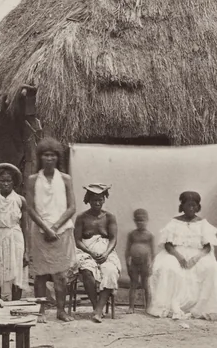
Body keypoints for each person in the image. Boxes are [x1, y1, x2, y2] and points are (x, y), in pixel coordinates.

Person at [147, 191, 217, 321]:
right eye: (188, 205)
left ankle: (206, 308)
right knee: (168, 267)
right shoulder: (175, 222)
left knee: (213, 269)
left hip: (198, 254)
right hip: (176, 253)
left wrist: (196, 258)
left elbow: (207, 247)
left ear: (198, 207)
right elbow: (168, 244)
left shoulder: (202, 223)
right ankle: (167, 305)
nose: (191, 208)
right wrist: (179, 257)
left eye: (194, 205)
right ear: (182, 206)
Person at [24, 137, 77, 321]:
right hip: (40, 232)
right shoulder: (32, 180)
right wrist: (45, 229)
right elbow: (30, 208)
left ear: (58, 157)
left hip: (61, 231)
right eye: (46, 155)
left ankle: (61, 311)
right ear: (40, 157)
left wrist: (54, 227)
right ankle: (40, 312)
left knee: (61, 275)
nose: (49, 158)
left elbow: (72, 207)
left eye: (53, 155)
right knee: (40, 274)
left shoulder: (65, 179)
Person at [73, 183, 121, 323]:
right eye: (94, 200)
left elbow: (113, 239)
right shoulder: (82, 217)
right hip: (86, 251)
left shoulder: (109, 217)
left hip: (106, 251)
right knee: (87, 271)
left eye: (100, 199)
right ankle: (96, 306)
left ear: (104, 200)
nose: (97, 203)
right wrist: (91, 253)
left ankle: (98, 310)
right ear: (88, 200)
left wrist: (106, 253)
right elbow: (77, 241)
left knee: (110, 271)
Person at [0, 163, 29, 300]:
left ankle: (15, 304)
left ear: (14, 182)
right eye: (2, 180)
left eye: (9, 181)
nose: (6, 184)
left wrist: (27, 252)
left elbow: (25, 227)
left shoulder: (20, 200)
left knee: (15, 273)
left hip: (15, 238)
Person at [125, 208, 154, 314]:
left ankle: (148, 307)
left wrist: (151, 264)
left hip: (145, 263)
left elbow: (152, 251)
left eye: (142, 220)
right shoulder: (132, 234)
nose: (140, 223)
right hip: (134, 263)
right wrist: (127, 262)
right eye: (138, 221)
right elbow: (127, 250)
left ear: (147, 220)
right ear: (134, 221)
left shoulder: (149, 235)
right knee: (133, 284)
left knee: (146, 285)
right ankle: (131, 307)